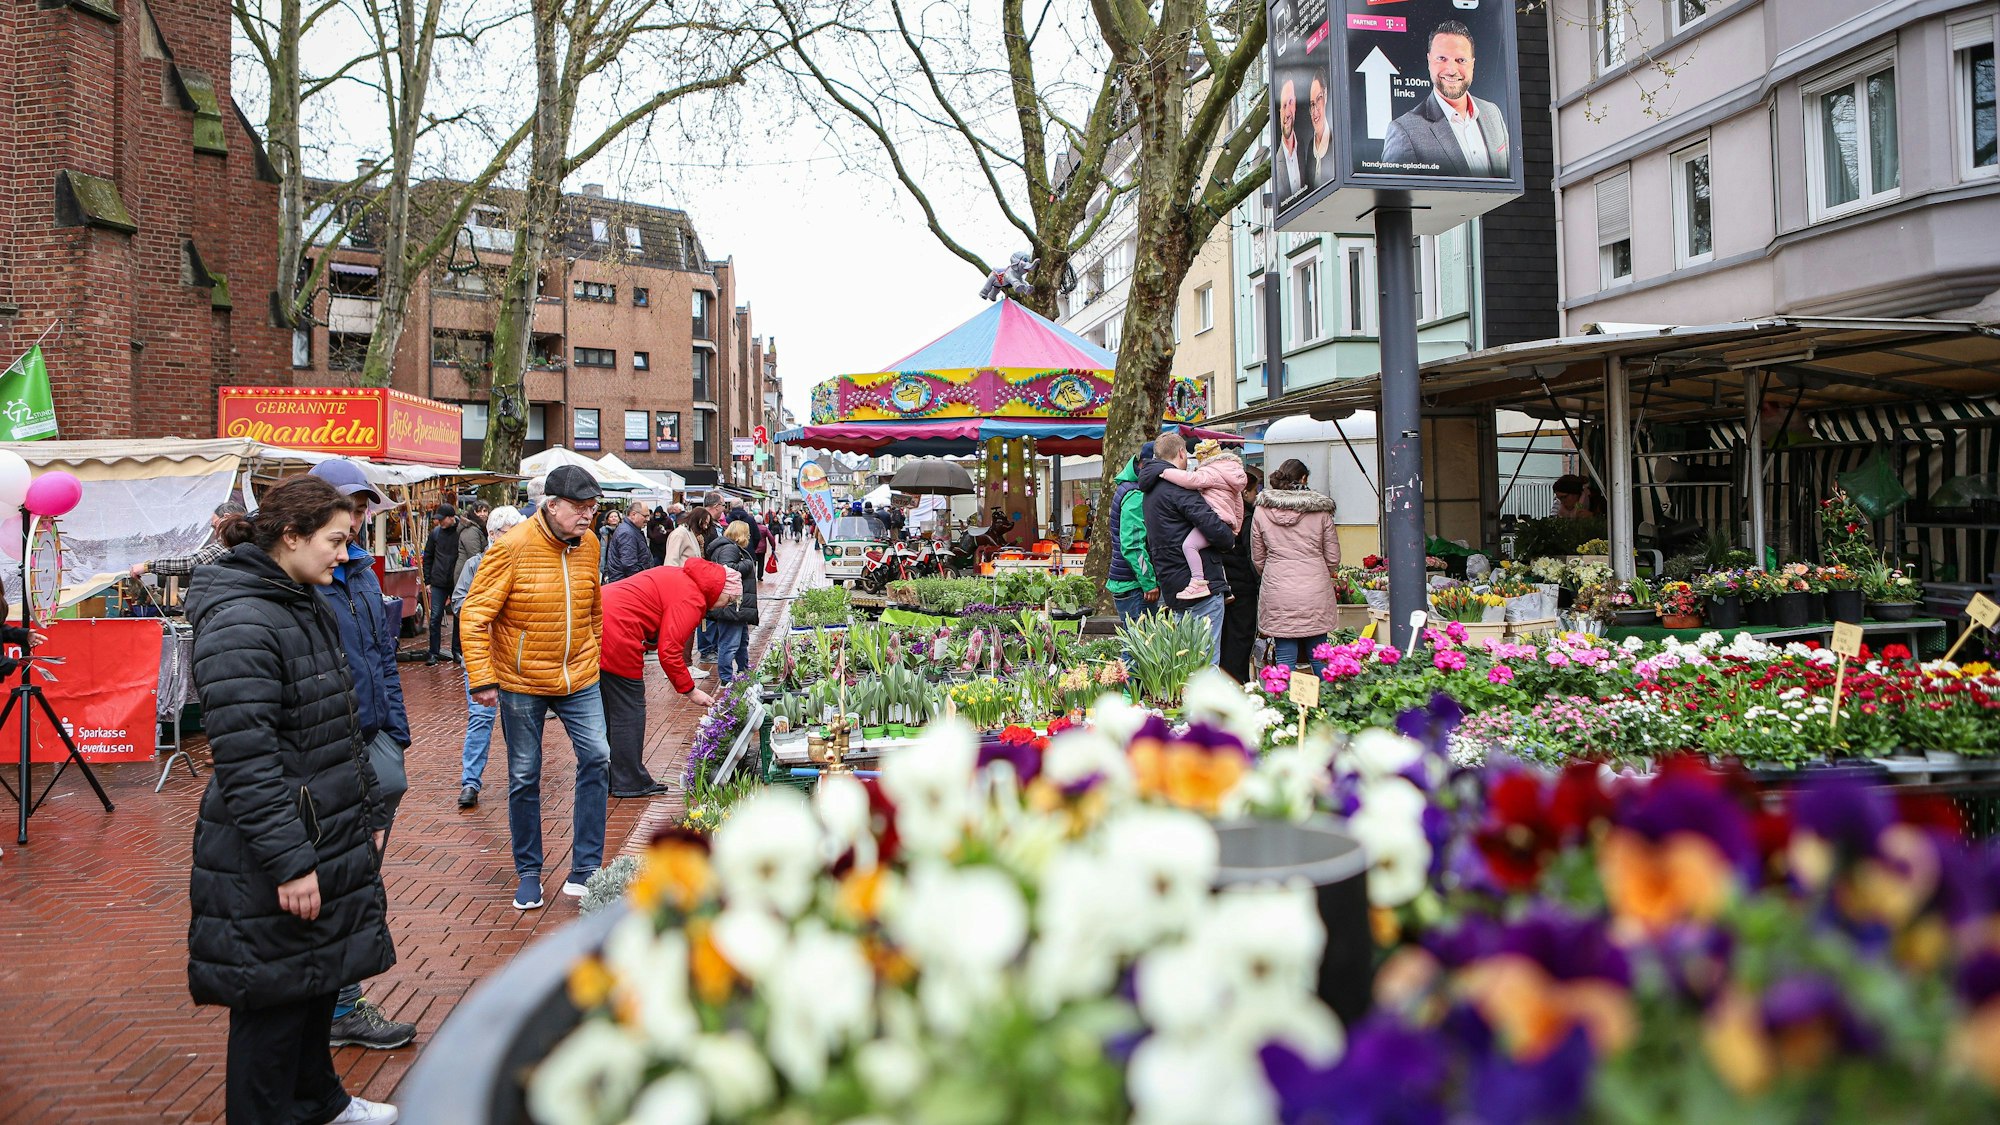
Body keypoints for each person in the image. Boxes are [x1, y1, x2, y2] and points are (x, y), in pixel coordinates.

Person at [183, 476, 399, 1125]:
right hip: (277, 844)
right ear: (291, 535)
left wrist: (356, 814)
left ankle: (321, 1100)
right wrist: (289, 860)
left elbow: (331, 720)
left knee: (314, 978)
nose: (344, 553)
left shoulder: (297, 596)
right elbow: (247, 757)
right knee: (273, 1002)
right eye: (335, 539)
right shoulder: (243, 618)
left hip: (324, 826)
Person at [459, 464, 611, 911]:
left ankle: (586, 867)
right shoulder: (511, 548)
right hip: (521, 680)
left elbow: (594, 608)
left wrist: (592, 650)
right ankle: (529, 871)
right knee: (524, 774)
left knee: (598, 757)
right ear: (551, 505)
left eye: (593, 507)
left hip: (579, 675)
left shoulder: (591, 545)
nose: (588, 516)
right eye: (580, 508)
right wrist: (483, 677)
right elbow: (474, 614)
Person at [305, 460, 418, 1052]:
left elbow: (381, 657)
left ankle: (340, 1002)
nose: (357, 517)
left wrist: (396, 733)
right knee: (340, 876)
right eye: (349, 504)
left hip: (375, 741)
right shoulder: (305, 575)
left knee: (362, 876)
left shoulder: (364, 571)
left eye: (363, 506)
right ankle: (331, 1005)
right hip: (331, 748)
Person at [600, 559, 738, 798]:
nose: (724, 606)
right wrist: (691, 691)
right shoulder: (692, 598)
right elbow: (670, 650)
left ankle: (612, 775)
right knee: (629, 710)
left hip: (600, 621)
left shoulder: (681, 576)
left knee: (611, 707)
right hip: (617, 633)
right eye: (728, 600)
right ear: (719, 590)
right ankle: (629, 780)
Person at [1139, 432, 1236, 662]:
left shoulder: (1149, 491)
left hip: (1171, 581)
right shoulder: (1178, 488)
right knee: (1205, 661)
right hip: (1200, 586)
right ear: (1182, 452)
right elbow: (1213, 527)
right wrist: (1228, 537)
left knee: (1185, 662)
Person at [451, 505, 524, 809]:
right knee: (481, 717)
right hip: (482, 655)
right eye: (509, 533)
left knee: (518, 720)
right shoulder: (474, 564)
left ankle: (520, 779)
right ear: (493, 534)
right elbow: (459, 604)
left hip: (513, 657)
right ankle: (471, 781)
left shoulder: (524, 563)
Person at [1380, 21, 1510, 178]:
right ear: (1429, 61)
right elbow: (1394, 199)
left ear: (1472, 64)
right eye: (1442, 58)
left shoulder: (1493, 113)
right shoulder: (1404, 132)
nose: (1451, 70)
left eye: (1460, 60)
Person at [1251, 458, 1343, 675]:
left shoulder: (1262, 511)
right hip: (1315, 587)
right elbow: (1333, 556)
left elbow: (1258, 557)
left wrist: (1274, 573)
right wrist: (1321, 571)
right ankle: (1327, 703)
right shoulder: (1320, 511)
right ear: (1304, 479)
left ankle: (1285, 704)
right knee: (1320, 652)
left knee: (1284, 652)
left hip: (1277, 587)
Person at [1157, 438, 1250, 603]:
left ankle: (1197, 581)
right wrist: (1235, 527)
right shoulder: (1230, 472)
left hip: (1214, 517)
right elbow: (1238, 504)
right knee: (1213, 553)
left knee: (1189, 545)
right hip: (1225, 521)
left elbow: (1191, 480)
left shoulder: (1210, 472)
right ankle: (1225, 587)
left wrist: (1166, 472)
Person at [1217, 466, 1264, 682]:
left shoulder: (1220, 513)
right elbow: (1253, 557)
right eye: (1254, 492)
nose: (1256, 496)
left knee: (1225, 641)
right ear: (1244, 493)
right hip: (1243, 588)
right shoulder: (1247, 518)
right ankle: (1239, 684)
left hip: (1223, 587)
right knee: (1240, 640)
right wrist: (1260, 585)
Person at [1105, 443, 1160, 621]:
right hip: (1135, 586)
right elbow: (1133, 545)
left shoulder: (1128, 487)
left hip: (1129, 583)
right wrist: (1149, 582)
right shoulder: (1136, 494)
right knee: (1139, 647)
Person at [129, 500, 247, 580]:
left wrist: (147, 566)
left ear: (226, 517)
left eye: (215, 526)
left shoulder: (233, 542)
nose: (216, 533)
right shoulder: (247, 540)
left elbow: (191, 563)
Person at [704, 521, 759, 683]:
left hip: (736, 605)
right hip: (731, 604)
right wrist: (748, 564)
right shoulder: (729, 548)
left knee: (741, 641)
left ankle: (744, 672)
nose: (748, 537)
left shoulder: (729, 547)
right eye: (747, 533)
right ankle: (726, 679)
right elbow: (727, 569)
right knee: (730, 643)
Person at [422, 505, 460, 665]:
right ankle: (433, 653)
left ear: (451, 517)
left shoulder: (461, 533)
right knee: (435, 616)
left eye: (442, 518)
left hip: (456, 581)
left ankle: (457, 651)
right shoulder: (435, 533)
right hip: (438, 581)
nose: (439, 521)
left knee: (458, 617)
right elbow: (428, 556)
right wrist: (428, 580)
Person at [603, 501, 652, 584]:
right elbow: (629, 565)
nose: (648, 519)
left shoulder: (630, 530)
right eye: (645, 516)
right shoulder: (627, 532)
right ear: (633, 515)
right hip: (627, 583)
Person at [1273, 78, 1304, 200]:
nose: (1287, 113)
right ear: (1280, 111)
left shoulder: (1305, 149)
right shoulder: (1276, 162)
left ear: (1295, 104)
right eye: (1284, 105)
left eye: (1290, 102)